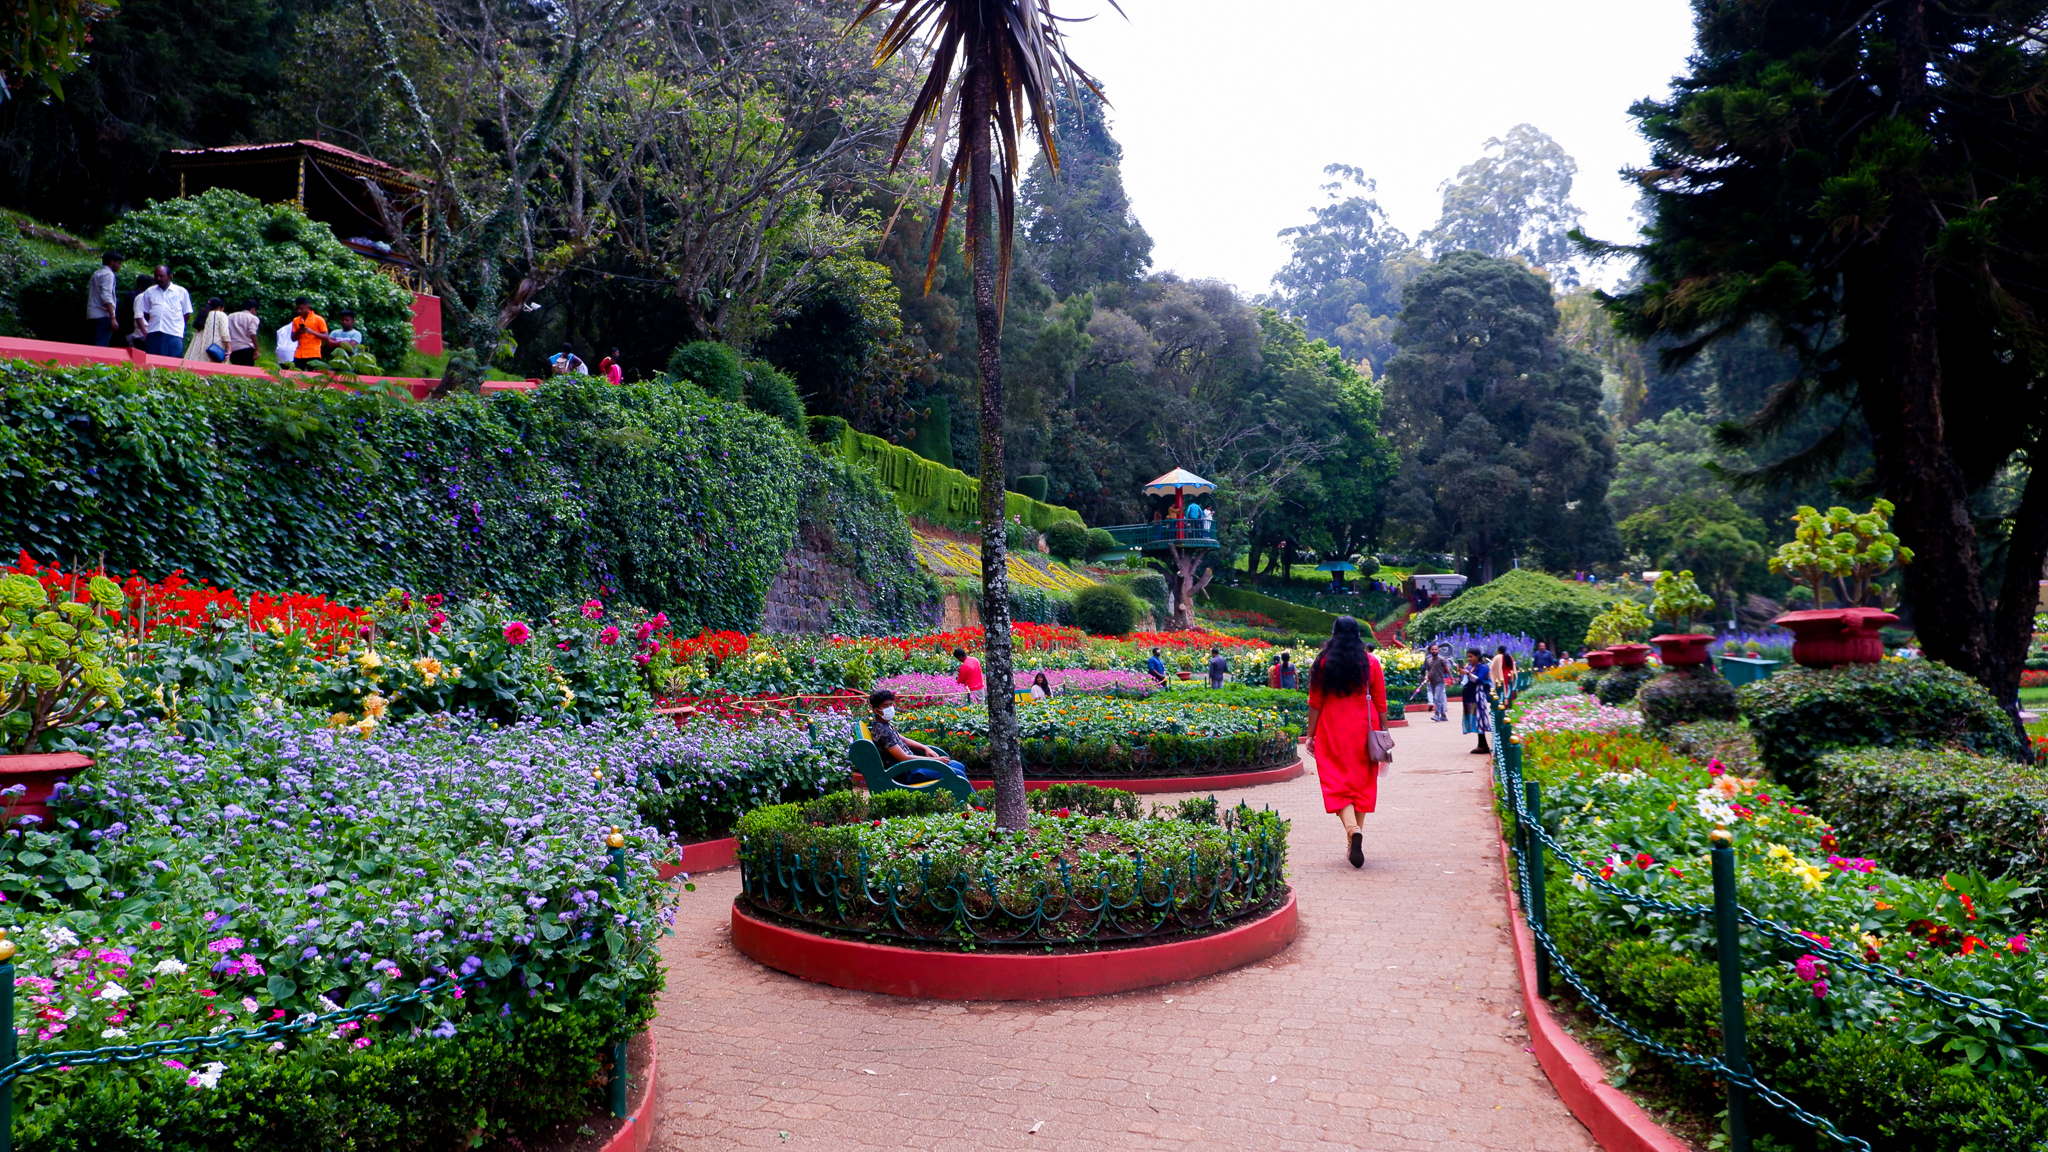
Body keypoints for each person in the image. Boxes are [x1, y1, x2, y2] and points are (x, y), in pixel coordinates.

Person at [1305, 615, 1387, 868]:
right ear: (1358, 635)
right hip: (1364, 726)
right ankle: (1354, 837)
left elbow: (1315, 702)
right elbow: (1380, 700)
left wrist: (1310, 735)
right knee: (1362, 782)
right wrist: (1384, 730)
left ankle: (1352, 831)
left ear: (1334, 633)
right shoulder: (1370, 662)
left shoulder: (1323, 662)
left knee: (1335, 781)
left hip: (1332, 727)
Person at [866, 690, 968, 784]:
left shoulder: (885, 725)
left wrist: (925, 748)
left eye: (890, 704)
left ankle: (957, 796)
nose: (890, 708)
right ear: (876, 710)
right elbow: (904, 758)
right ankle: (973, 798)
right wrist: (936, 760)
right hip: (906, 773)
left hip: (914, 766)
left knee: (958, 766)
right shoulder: (882, 732)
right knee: (957, 774)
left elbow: (904, 740)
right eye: (885, 706)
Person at [137, 265, 194, 358]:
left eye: (161, 276)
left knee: (173, 362)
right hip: (154, 333)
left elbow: (186, 314)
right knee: (153, 361)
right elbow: (146, 313)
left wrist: (176, 324)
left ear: (170, 277)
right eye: (156, 276)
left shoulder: (181, 292)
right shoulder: (149, 292)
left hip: (174, 334)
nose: (158, 278)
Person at [86, 250, 123, 346]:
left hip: (92, 314)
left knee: (92, 344)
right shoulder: (108, 274)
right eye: (119, 263)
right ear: (112, 262)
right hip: (103, 315)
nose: (120, 266)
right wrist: (112, 317)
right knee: (101, 345)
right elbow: (106, 296)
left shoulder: (97, 273)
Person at [183, 297, 233, 364]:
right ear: (219, 307)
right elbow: (224, 333)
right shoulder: (221, 315)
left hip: (198, 348)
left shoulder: (203, 314)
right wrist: (229, 348)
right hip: (214, 347)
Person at [1461, 648, 1492, 754]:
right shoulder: (1469, 667)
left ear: (1478, 656)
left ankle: (1483, 745)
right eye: (1468, 657)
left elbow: (1480, 680)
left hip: (1478, 695)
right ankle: (1482, 744)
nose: (1469, 659)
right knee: (1474, 718)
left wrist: (1469, 674)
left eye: (1471, 656)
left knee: (1479, 718)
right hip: (1470, 695)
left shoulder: (1483, 667)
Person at [291, 298, 329, 369]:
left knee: (313, 374)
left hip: (313, 353)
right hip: (299, 353)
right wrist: (299, 331)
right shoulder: (296, 320)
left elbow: (326, 337)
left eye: (301, 309)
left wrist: (311, 332)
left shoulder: (319, 319)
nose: (299, 311)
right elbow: (293, 338)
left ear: (308, 307)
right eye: (297, 309)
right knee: (296, 373)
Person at [226, 299, 262, 366]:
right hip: (247, 349)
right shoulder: (253, 318)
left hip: (233, 349)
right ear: (253, 309)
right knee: (247, 371)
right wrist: (256, 349)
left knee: (236, 370)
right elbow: (252, 332)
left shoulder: (231, 316)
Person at [120, 273, 151, 350]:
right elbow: (138, 315)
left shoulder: (132, 294)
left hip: (133, 330)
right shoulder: (139, 296)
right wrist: (145, 332)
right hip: (133, 331)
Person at [1424, 643, 1453, 722]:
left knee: (1437, 699)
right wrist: (1427, 677)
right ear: (1430, 651)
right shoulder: (1429, 660)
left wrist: (1451, 678)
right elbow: (1428, 671)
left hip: (1440, 682)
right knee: (1438, 699)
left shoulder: (1441, 660)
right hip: (1432, 682)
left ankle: (1437, 715)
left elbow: (1447, 669)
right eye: (1432, 649)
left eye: (1435, 649)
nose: (1434, 651)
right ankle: (1443, 715)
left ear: (1438, 650)